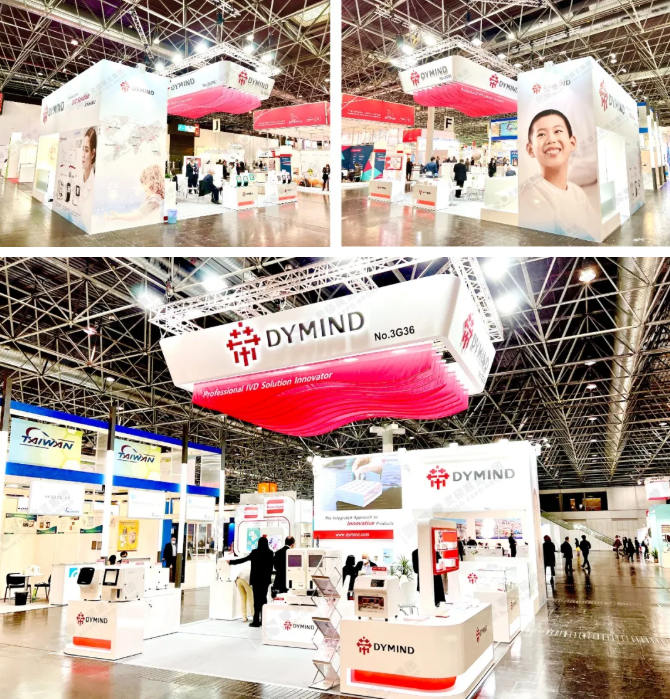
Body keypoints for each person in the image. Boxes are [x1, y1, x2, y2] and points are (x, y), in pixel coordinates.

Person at [520, 109, 597, 237]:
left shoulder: (578, 193)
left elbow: (595, 232)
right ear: (530, 149)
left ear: (572, 143)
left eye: (557, 131)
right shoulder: (530, 194)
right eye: (541, 134)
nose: (551, 139)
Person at [229, 537, 274, 627]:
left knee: (256, 601)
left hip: (256, 580)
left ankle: (256, 621)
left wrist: (231, 562)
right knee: (264, 599)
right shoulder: (270, 553)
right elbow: (271, 566)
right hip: (265, 581)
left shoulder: (255, 552)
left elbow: (243, 559)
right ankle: (264, 620)